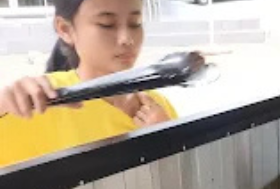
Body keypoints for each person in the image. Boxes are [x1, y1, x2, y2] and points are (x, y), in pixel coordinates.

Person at [0, 0, 177, 168]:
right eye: (107, 24)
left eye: (135, 23)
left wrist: (171, 140)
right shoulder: (39, 104)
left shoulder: (159, 106)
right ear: (65, 29)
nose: (126, 39)